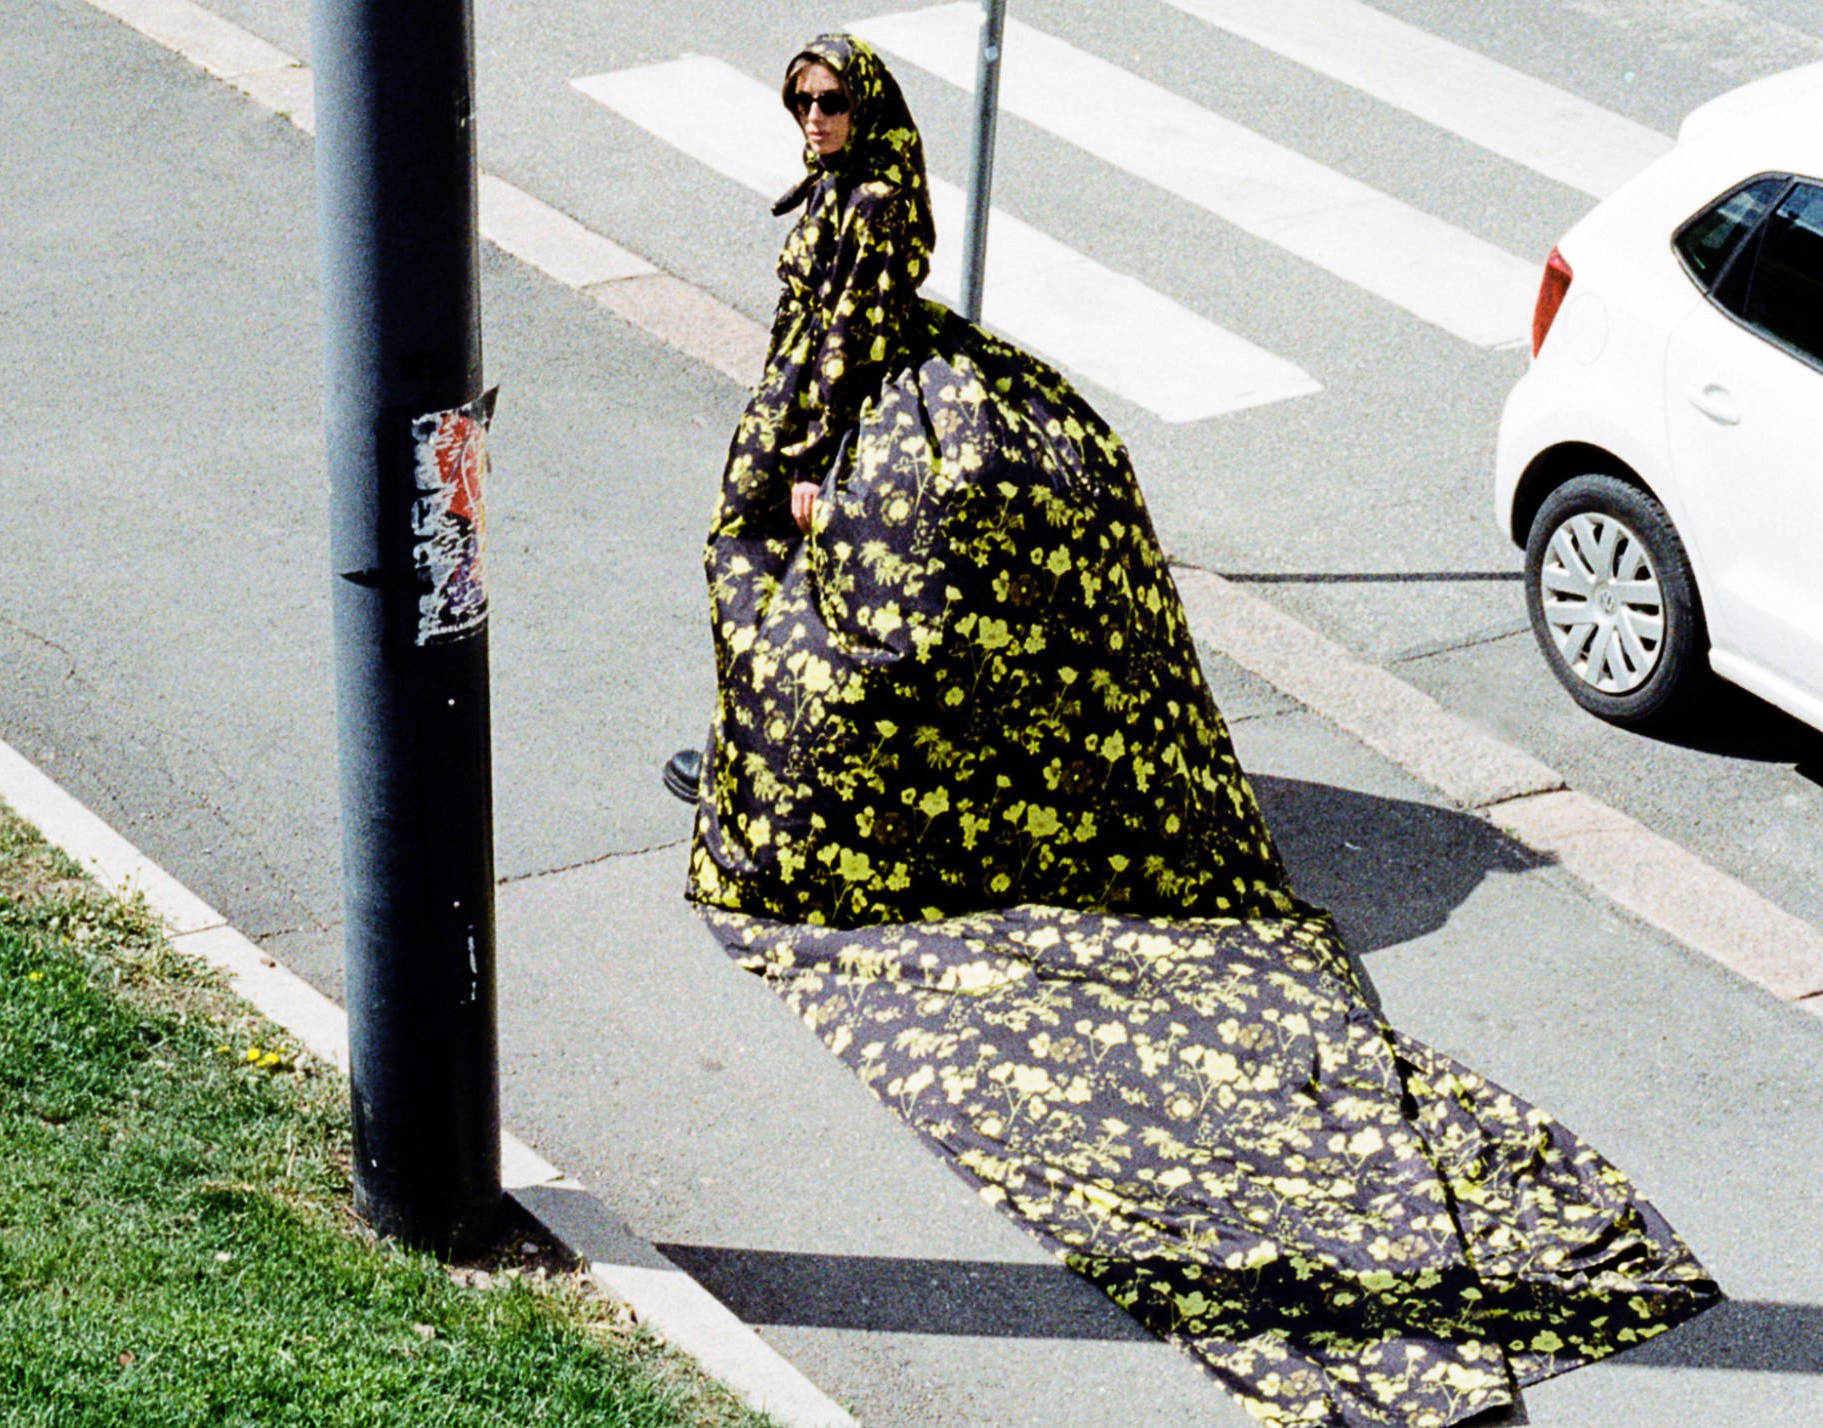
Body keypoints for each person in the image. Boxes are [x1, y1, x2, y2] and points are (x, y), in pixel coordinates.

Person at [667, 35, 1717, 1428]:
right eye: (799, 100)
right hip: (871, 399)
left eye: (831, 99)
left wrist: (798, 471)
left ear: (871, 108)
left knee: (798, 596)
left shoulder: (867, 206)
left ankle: (803, 815)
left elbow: (843, 341)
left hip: (858, 413)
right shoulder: (849, 184)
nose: (812, 119)